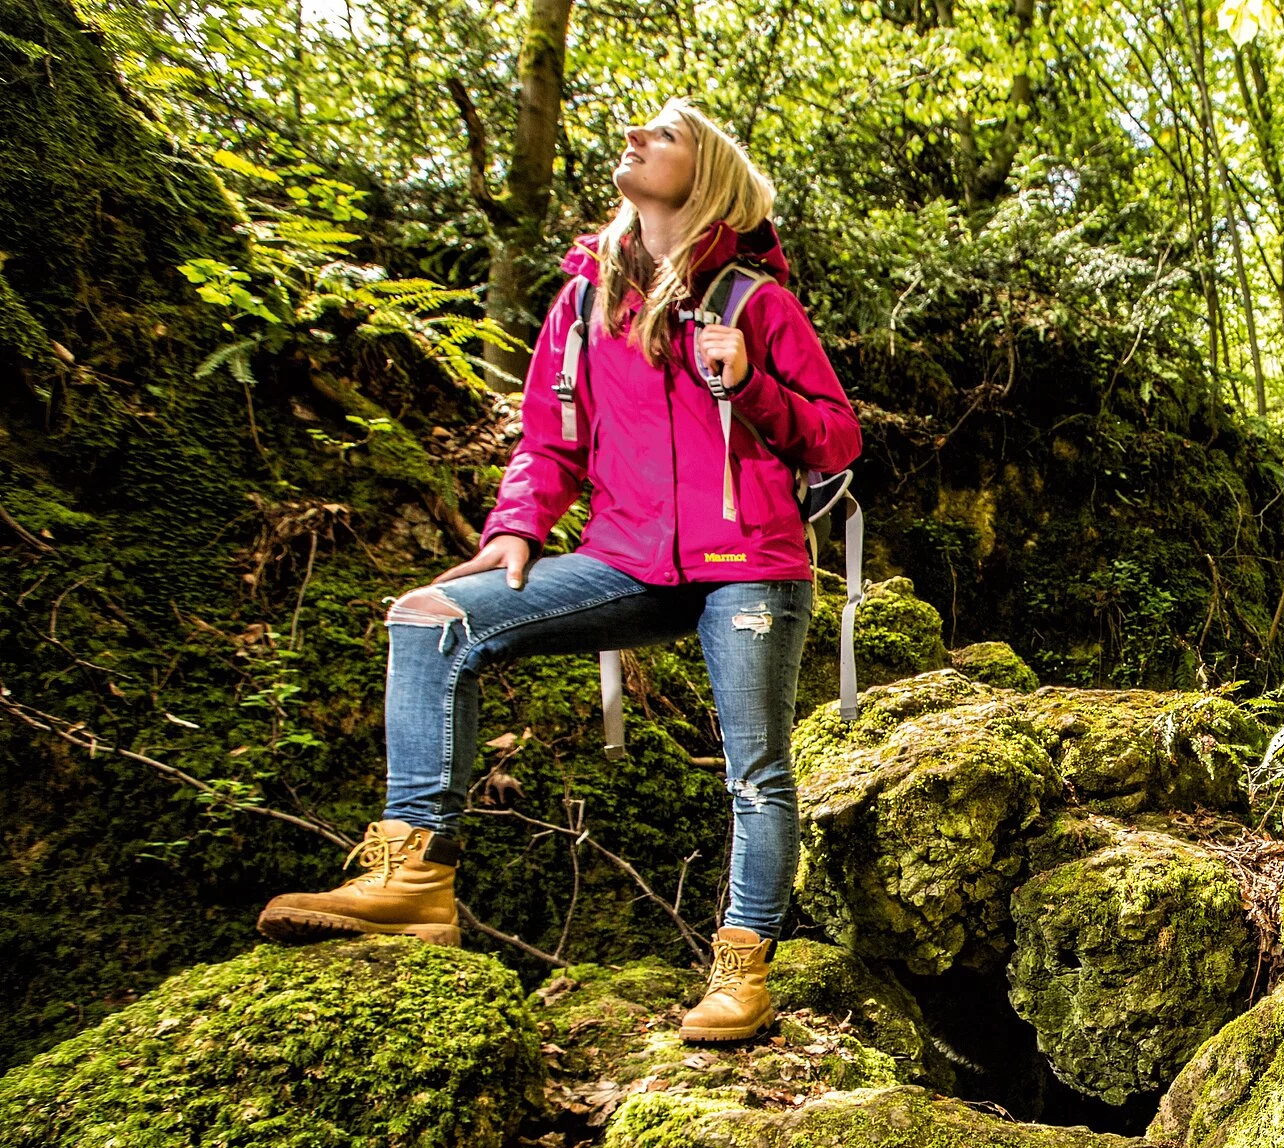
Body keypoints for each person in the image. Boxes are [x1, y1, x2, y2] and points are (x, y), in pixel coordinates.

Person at [258, 98, 859, 1044]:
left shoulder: (755, 302)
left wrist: (748, 380)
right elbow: (549, 439)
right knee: (430, 616)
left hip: (752, 566)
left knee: (757, 772)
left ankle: (742, 971)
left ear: (708, 176)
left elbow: (835, 436)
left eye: (664, 136)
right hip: (624, 559)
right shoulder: (585, 302)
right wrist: (517, 528)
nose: (636, 139)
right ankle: (413, 872)